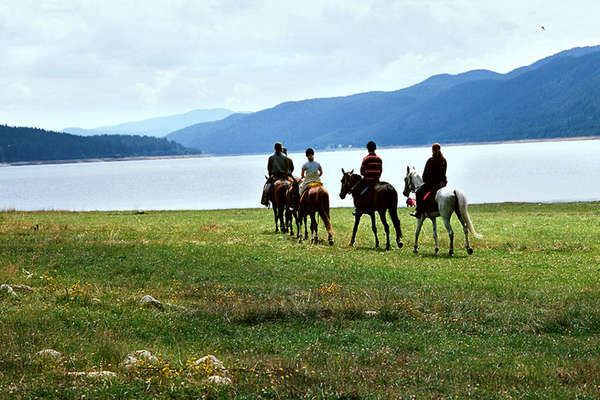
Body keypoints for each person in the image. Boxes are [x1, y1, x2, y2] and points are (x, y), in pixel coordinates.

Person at [412, 142, 447, 218]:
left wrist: (425, 181)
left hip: (432, 184)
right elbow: (444, 173)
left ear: (432, 150)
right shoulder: (444, 160)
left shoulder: (430, 160)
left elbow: (425, 175)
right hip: (443, 184)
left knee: (418, 192)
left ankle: (419, 211)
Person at [353, 141, 382, 214]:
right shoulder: (379, 159)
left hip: (367, 180)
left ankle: (358, 209)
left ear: (367, 149)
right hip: (377, 180)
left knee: (355, 191)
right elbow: (380, 170)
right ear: (375, 148)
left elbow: (361, 171)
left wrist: (366, 175)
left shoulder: (366, 159)